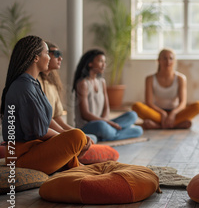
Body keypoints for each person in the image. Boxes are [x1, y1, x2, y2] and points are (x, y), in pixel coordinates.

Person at [1, 35, 90, 174]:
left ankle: (73, 164)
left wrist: (67, 139)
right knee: (77, 136)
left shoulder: (32, 83)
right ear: (36, 58)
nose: (49, 57)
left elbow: (45, 124)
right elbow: (38, 131)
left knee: (77, 136)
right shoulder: (23, 87)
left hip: (35, 148)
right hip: (21, 157)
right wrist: (69, 140)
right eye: (46, 53)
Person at [73, 49, 143, 141]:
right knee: (102, 126)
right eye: (100, 61)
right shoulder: (83, 83)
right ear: (90, 64)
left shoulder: (102, 82)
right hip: (88, 126)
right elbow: (85, 114)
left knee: (133, 116)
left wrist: (107, 121)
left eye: (104, 62)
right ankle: (109, 134)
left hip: (104, 123)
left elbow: (106, 107)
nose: (104, 65)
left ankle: (106, 135)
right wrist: (107, 123)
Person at [38, 41, 98, 144]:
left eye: (60, 54)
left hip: (54, 131)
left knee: (91, 137)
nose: (60, 58)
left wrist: (73, 132)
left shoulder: (52, 84)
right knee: (87, 137)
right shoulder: (35, 82)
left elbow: (56, 117)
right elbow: (45, 121)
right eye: (56, 54)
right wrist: (65, 134)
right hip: (44, 134)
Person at [132, 49, 199, 129]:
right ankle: (175, 125)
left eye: (171, 58)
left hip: (176, 113)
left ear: (174, 61)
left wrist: (173, 114)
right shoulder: (150, 79)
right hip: (157, 113)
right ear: (159, 60)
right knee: (136, 106)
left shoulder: (181, 78)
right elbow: (149, 102)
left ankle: (158, 126)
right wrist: (162, 113)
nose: (168, 61)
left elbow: (182, 103)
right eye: (165, 58)